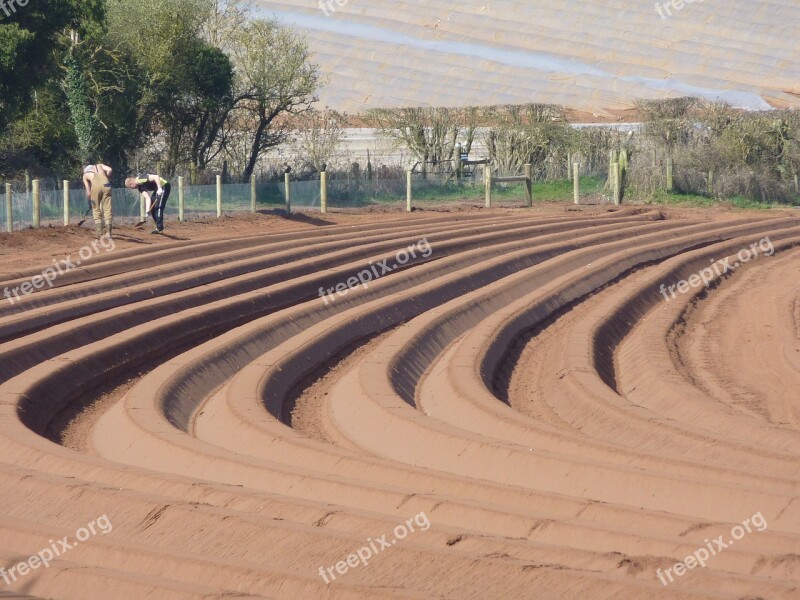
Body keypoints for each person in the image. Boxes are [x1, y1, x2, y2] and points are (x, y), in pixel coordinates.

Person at [82, 163, 114, 238]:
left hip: (96, 187)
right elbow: (110, 169)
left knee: (96, 209)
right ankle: (108, 233)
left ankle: (100, 232)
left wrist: (89, 201)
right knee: (107, 209)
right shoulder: (100, 165)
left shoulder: (86, 175)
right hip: (106, 185)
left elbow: (88, 192)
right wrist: (105, 177)